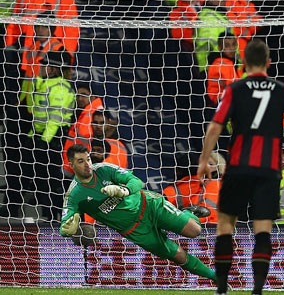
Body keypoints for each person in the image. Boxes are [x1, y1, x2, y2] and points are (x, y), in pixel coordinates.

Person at [196, 39, 284, 295]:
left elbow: (215, 126)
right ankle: (258, 290)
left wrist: (204, 160)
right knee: (262, 227)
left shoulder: (234, 89)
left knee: (225, 224)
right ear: (268, 63)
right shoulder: (283, 89)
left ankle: (222, 288)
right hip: (268, 169)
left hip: (238, 166)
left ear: (245, 63)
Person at [61, 144, 221, 284]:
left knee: (195, 230)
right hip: (136, 231)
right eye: (81, 161)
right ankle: (216, 278)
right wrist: (69, 230)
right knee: (178, 256)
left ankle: (186, 212)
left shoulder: (103, 169)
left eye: (88, 159)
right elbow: (65, 225)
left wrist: (123, 190)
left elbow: (137, 181)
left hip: (150, 205)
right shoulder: (74, 195)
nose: (87, 164)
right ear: (71, 165)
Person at [30, 49, 75, 221]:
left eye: (46, 65)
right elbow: (40, 114)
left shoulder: (60, 88)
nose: (42, 67)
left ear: (55, 69)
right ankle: (48, 214)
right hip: (43, 136)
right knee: (42, 178)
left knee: (52, 180)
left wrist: (45, 140)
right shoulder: (45, 84)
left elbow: (55, 118)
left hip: (54, 139)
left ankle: (56, 217)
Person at [163, 151, 225, 224]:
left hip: (210, 226)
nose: (205, 166)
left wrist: (185, 220)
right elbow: (175, 193)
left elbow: (208, 211)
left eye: (210, 164)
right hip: (197, 224)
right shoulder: (194, 183)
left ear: (219, 168)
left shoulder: (215, 184)